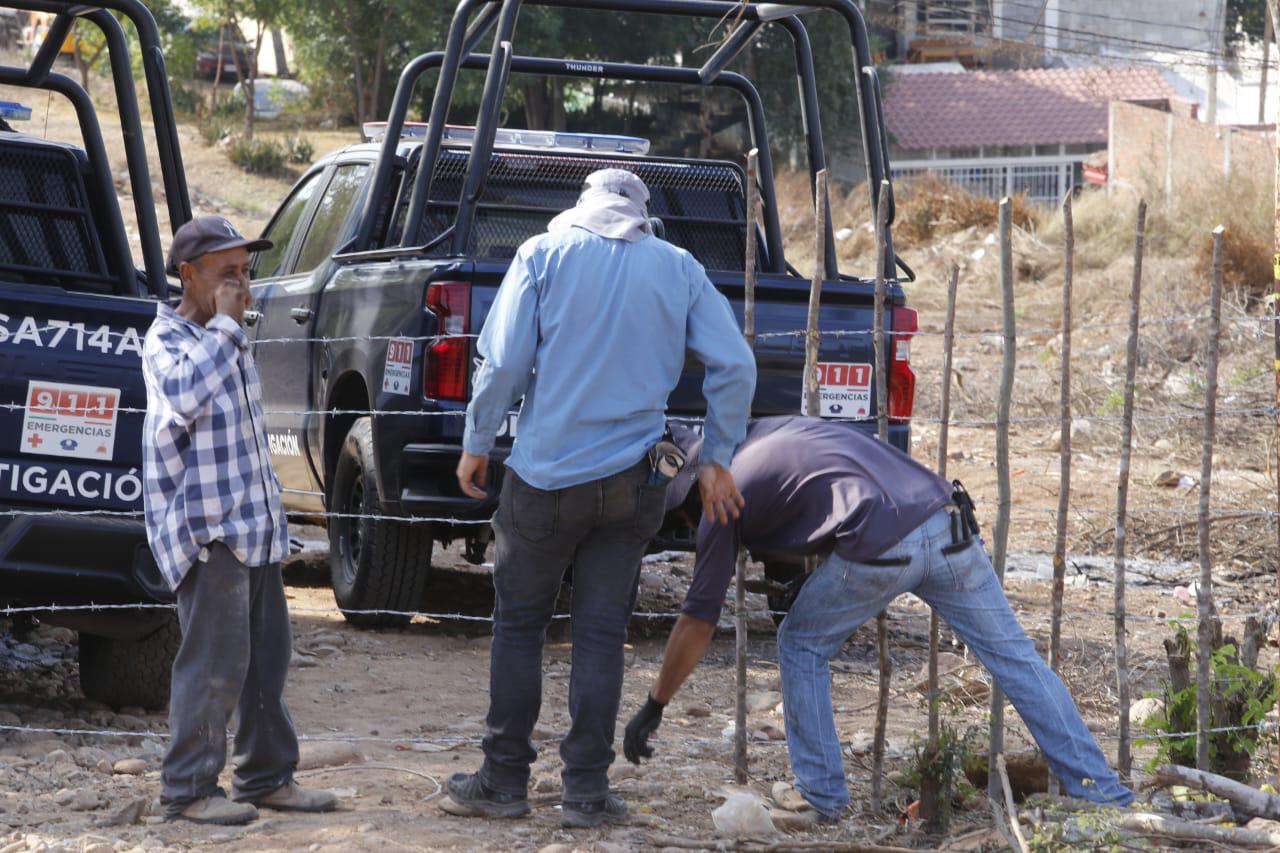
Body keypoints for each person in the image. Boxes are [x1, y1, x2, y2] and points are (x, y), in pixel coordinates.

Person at [623, 416, 1134, 820]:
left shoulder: (719, 499)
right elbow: (826, 491)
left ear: (690, 490)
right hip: (948, 519)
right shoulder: (770, 431)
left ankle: (821, 794)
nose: (688, 523)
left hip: (886, 544)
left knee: (800, 642)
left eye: (680, 512)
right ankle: (1101, 792)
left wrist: (655, 703)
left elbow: (697, 620)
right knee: (1016, 659)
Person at [446, 169, 756, 828]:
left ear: (581, 208)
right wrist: (718, 458)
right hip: (633, 483)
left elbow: (502, 365)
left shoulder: (543, 254)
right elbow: (736, 364)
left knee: (521, 628)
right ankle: (585, 791)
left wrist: (477, 441)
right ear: (643, 216)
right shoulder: (678, 267)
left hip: (543, 478)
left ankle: (502, 779)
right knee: (600, 634)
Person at [142, 216, 338, 825]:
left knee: (266, 661)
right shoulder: (169, 341)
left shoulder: (228, 337)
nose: (240, 287)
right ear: (189, 275)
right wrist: (225, 325)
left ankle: (266, 777)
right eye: (227, 274)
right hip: (208, 533)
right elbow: (184, 395)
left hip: (250, 528)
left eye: (245, 274)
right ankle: (186, 790)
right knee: (214, 666)